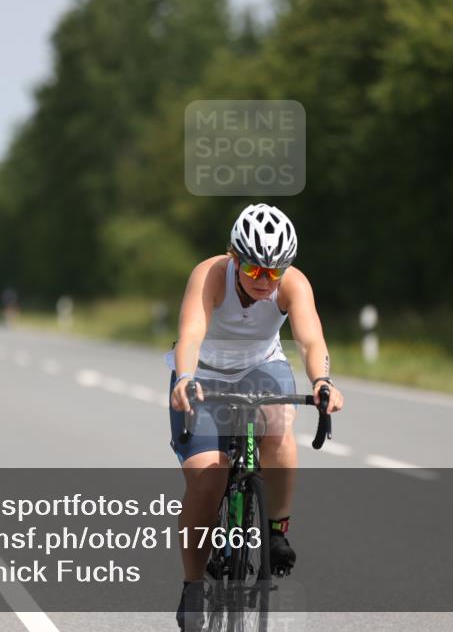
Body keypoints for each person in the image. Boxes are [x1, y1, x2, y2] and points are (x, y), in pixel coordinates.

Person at [167, 203, 344, 629]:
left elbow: (309, 339)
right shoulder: (210, 275)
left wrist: (321, 380)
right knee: (208, 477)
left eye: (275, 271)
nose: (265, 281)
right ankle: (193, 585)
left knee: (280, 427)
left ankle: (277, 527)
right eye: (254, 270)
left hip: (261, 368)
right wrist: (185, 377)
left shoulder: (292, 285)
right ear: (234, 257)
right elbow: (190, 333)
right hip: (204, 374)